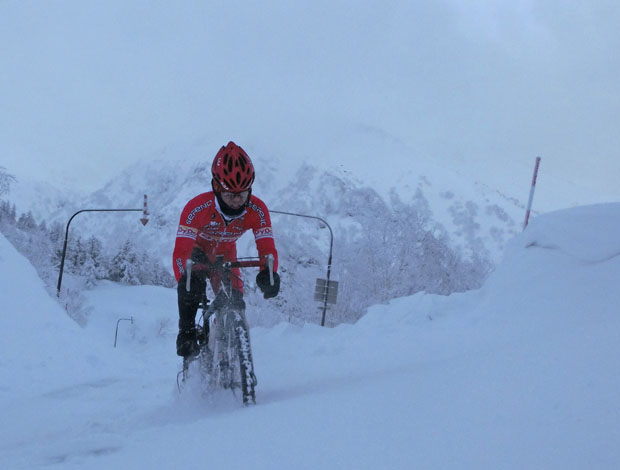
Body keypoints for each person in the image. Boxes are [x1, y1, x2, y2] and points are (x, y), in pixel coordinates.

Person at [172, 141, 280, 357]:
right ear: (216, 188)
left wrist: (269, 273)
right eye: (230, 194)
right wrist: (185, 281)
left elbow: (267, 248)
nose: (237, 200)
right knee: (191, 289)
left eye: (243, 193)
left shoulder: (257, 210)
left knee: (236, 302)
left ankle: (238, 359)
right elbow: (180, 253)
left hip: (226, 254)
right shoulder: (196, 208)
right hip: (197, 253)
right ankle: (189, 332)